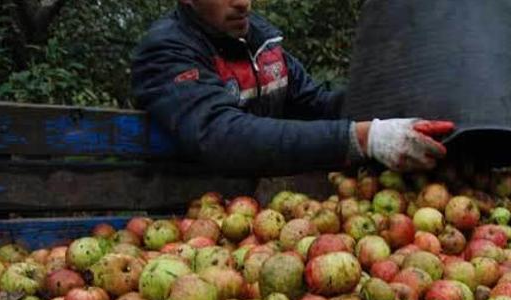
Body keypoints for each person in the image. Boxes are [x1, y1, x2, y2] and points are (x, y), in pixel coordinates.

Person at [131, 0, 454, 177]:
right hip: (190, 221)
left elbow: (315, 103)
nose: (243, 3)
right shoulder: (168, 52)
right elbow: (218, 134)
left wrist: (396, 98)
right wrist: (362, 138)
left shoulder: (260, 42)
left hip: (267, 221)